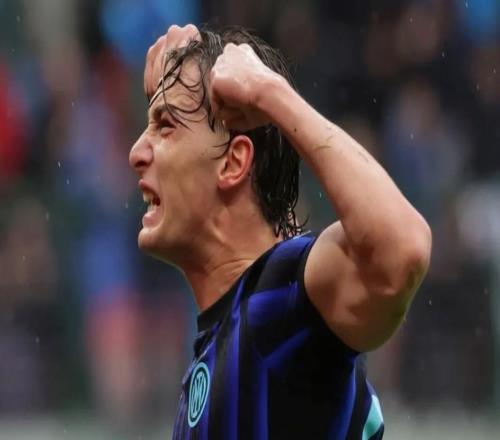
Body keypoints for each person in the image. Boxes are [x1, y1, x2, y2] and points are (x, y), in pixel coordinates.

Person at [129, 23, 432, 440]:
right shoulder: (226, 340)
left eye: (165, 126)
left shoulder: (278, 305)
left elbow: (402, 249)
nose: (137, 152)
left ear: (233, 163)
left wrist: (268, 93)